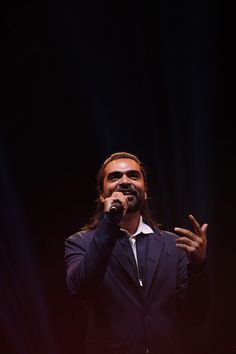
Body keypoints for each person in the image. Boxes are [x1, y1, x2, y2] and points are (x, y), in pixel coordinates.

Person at [64, 151, 210, 354]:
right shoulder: (81, 243)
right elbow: (82, 288)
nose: (125, 181)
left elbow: (194, 314)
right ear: (101, 193)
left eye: (133, 175)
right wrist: (110, 221)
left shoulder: (174, 245)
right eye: (115, 177)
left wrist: (198, 267)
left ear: (146, 190)